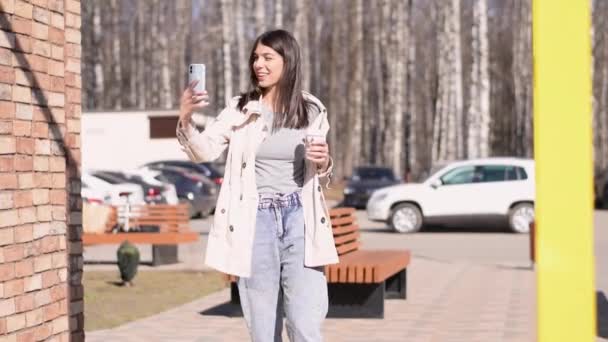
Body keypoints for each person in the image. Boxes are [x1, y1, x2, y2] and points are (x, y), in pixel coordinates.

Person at [176, 29, 338, 342]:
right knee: (263, 329)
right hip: (256, 221)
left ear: (287, 61)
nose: (258, 65)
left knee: (305, 324)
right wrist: (185, 119)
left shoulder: (311, 109)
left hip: (300, 219)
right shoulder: (240, 108)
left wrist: (323, 161)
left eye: (267, 57)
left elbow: (320, 171)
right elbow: (204, 151)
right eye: (255, 58)